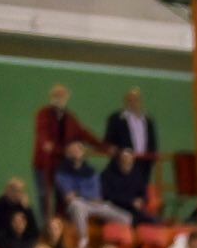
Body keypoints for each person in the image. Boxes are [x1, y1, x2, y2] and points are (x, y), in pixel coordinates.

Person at [32, 85, 102, 221]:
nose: (60, 99)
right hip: (43, 165)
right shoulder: (43, 114)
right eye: (57, 96)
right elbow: (44, 139)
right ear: (51, 97)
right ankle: (46, 227)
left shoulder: (70, 117)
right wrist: (62, 150)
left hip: (61, 166)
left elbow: (83, 133)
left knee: (61, 198)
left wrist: (102, 146)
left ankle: (61, 226)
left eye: (63, 96)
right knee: (44, 195)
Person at [103, 88, 159, 205]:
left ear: (141, 101)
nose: (134, 103)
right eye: (130, 100)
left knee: (141, 192)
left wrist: (152, 158)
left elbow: (153, 142)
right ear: (125, 102)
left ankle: (141, 213)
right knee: (123, 191)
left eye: (136, 100)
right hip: (123, 163)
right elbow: (108, 141)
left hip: (144, 163)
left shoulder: (148, 120)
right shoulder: (116, 118)